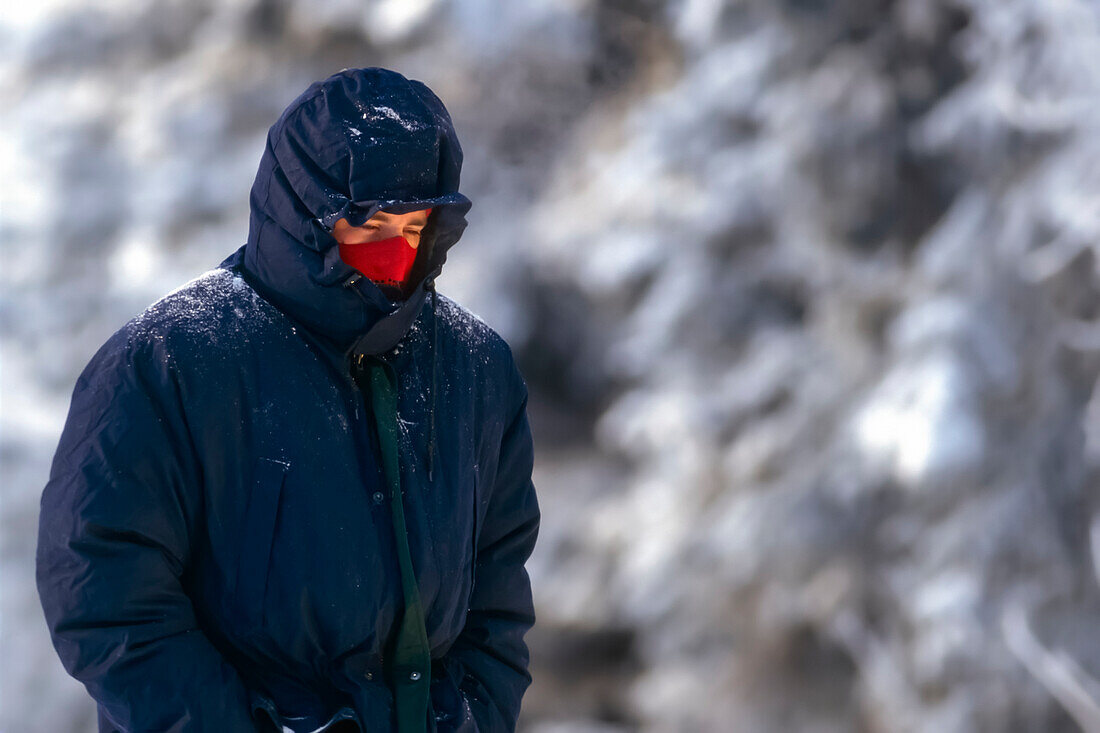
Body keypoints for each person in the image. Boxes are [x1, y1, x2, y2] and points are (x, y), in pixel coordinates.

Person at [35, 67, 541, 733]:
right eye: (372, 226)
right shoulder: (169, 361)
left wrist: (474, 714)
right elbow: (101, 590)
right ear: (306, 215)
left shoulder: (477, 368)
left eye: (415, 225)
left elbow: (498, 593)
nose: (396, 252)